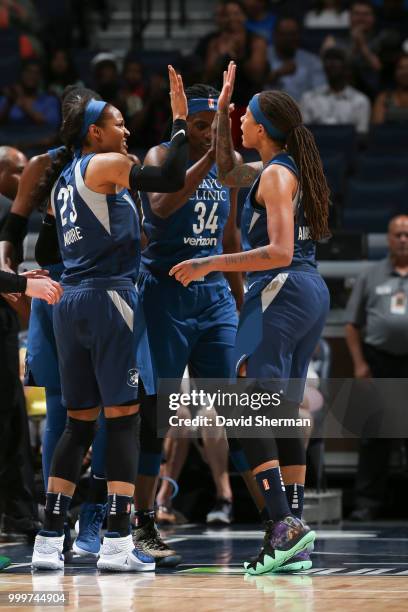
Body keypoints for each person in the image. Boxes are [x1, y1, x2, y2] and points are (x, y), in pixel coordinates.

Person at [171, 61, 331, 574]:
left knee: (244, 407)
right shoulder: (274, 169)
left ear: (263, 127)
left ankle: (283, 526)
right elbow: (224, 171)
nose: (241, 122)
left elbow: (280, 251)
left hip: (281, 289)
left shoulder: (279, 176)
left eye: (245, 116)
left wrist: (210, 261)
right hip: (304, 293)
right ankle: (293, 534)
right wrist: (219, 111)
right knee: (279, 408)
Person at [30, 65, 189, 572]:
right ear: (94, 133)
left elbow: (51, 245)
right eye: (117, 123)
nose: (126, 130)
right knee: (124, 420)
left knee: (78, 424)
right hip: (109, 298)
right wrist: (180, 125)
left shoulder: (63, 182)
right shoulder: (103, 165)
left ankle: (49, 539)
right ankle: (119, 541)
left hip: (71, 300)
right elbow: (168, 176)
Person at [0, 88, 112, 558]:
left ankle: (97, 519)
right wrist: (9, 276)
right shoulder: (43, 166)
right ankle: (54, 519)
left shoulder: (116, 166)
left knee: (113, 410)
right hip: (55, 289)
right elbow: (13, 228)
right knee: (61, 410)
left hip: (107, 290)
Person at [133, 83, 243, 564]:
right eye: (201, 126)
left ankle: (278, 521)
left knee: (238, 407)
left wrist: (243, 309)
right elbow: (161, 207)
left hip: (214, 296)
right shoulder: (161, 155)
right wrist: (210, 158)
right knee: (157, 416)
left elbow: (232, 235)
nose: (209, 135)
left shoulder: (229, 164)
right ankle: (141, 523)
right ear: (185, 124)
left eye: (216, 127)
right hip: (165, 295)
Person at [345, 215, 408, 521]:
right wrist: (359, 364)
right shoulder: (371, 275)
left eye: (407, 235)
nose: (403, 239)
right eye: (397, 234)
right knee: (374, 436)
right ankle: (367, 502)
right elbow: (351, 325)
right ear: (388, 239)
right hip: (379, 362)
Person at [197, 0, 268, 145]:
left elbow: (258, 74)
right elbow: (207, 76)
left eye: (236, 13)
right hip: (222, 106)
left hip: (249, 105)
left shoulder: (256, 41)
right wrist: (221, 54)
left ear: (244, 16)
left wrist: (238, 55)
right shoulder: (215, 42)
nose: (232, 18)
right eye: (228, 14)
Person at [300, 47, 371, 133]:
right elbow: (303, 135)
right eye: (328, 60)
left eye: (337, 59)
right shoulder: (309, 98)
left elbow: (361, 136)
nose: (331, 64)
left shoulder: (360, 101)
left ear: (347, 68)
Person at [265, 16, 327, 102]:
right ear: (275, 35)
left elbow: (320, 91)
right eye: (284, 34)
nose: (288, 38)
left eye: (292, 34)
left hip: (303, 111)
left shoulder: (312, 61)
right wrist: (276, 74)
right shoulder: (263, 56)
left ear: (299, 35)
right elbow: (254, 86)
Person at [0, 59, 61, 130]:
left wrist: (21, 103)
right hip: (9, 139)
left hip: (38, 139)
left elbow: (49, 124)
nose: (32, 76)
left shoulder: (50, 100)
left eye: (36, 73)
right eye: (28, 71)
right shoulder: (7, 100)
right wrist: (9, 104)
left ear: (40, 77)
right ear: (21, 74)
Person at [372, 53, 408, 124]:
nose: (405, 72)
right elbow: (378, 130)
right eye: (401, 68)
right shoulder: (383, 98)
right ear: (394, 72)